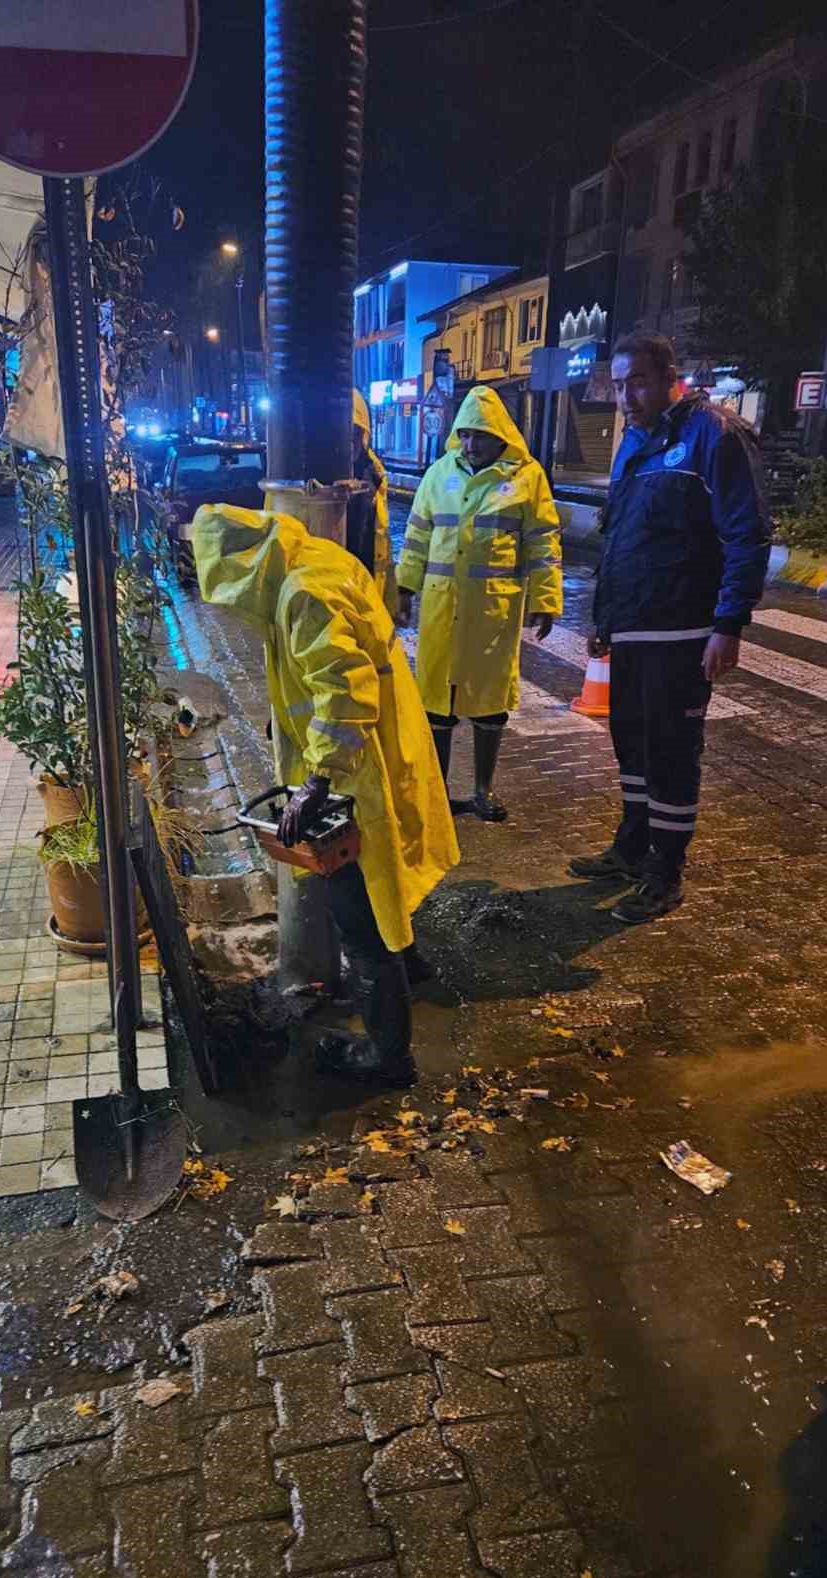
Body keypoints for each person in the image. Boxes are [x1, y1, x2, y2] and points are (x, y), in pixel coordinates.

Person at [191, 504, 458, 1087]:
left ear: (244, 567)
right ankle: (412, 966)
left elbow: (342, 694)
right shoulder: (315, 558)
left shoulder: (301, 592)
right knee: (389, 891)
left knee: (360, 918)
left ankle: (390, 1058)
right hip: (385, 747)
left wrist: (316, 781)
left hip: (354, 772)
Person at [569, 333, 770, 923]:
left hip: (682, 632)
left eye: (637, 381)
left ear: (669, 378)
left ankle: (666, 871)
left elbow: (747, 532)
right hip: (632, 627)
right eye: (619, 382)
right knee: (631, 745)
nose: (626, 395)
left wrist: (728, 625)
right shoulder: (636, 441)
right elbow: (620, 538)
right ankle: (632, 848)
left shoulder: (714, 435)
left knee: (671, 753)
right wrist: (605, 619)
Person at [396, 385, 562, 821]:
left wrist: (545, 600)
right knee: (438, 704)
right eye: (465, 434)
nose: (470, 444)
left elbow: (543, 543)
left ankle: (483, 791)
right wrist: (403, 589)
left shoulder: (526, 478)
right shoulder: (438, 474)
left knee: (489, 705)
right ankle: (437, 793)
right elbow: (416, 536)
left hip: (493, 613)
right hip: (440, 610)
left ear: (500, 436)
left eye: (480, 435)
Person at [351, 390, 398, 616]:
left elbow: (382, 542)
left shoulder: (374, 474)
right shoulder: (306, 478)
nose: (349, 442)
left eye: (354, 433)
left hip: (365, 591)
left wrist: (390, 603)